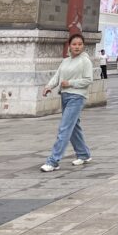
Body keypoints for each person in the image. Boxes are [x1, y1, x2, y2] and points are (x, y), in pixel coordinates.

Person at [40, 33, 94, 171]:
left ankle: (53, 161)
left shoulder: (85, 61)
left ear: (83, 46)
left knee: (64, 128)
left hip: (77, 97)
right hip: (65, 96)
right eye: (74, 44)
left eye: (80, 44)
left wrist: (70, 83)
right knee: (74, 127)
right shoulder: (65, 61)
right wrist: (48, 86)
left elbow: (88, 80)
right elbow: (57, 76)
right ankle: (84, 154)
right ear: (69, 46)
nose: (77, 47)